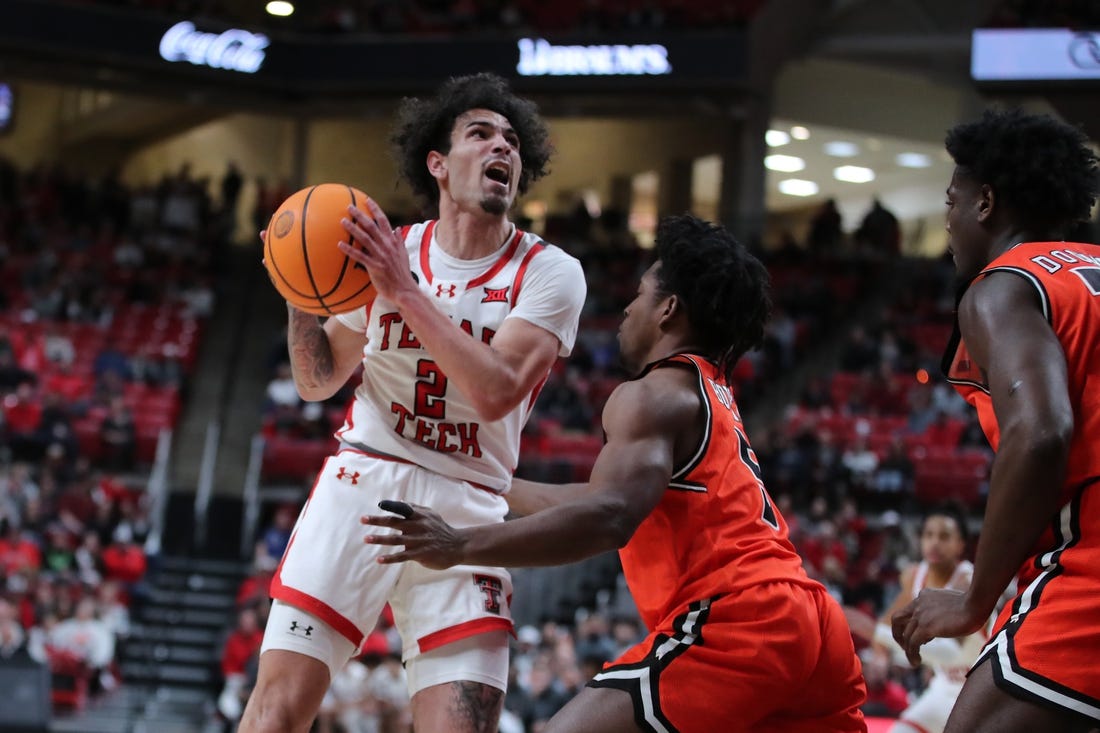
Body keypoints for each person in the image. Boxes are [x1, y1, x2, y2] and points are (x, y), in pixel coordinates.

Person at [361, 214, 867, 732]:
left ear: (669, 309)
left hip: (742, 615)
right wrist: (491, 482)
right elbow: (602, 497)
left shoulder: (651, 394)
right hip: (810, 620)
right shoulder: (709, 393)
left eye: (641, 293)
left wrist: (460, 544)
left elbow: (608, 517)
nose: (627, 307)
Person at [239, 72, 585, 733]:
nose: (501, 149)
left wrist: (403, 293)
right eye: (480, 135)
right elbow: (318, 380)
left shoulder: (548, 272)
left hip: (469, 503)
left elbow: (496, 390)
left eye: (512, 141)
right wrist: (299, 292)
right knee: (276, 709)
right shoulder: (388, 251)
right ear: (439, 163)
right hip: (362, 478)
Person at [892, 108, 1100, 732]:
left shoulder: (1006, 284)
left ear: (986, 202)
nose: (948, 221)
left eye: (951, 200)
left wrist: (976, 598)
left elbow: (1041, 432)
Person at [849, 503, 984, 733]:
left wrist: (874, 632)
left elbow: (951, 652)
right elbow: (885, 625)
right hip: (943, 687)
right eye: (928, 535)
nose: (934, 542)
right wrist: (881, 654)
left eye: (944, 536)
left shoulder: (968, 581)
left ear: (961, 544)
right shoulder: (915, 577)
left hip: (978, 691)